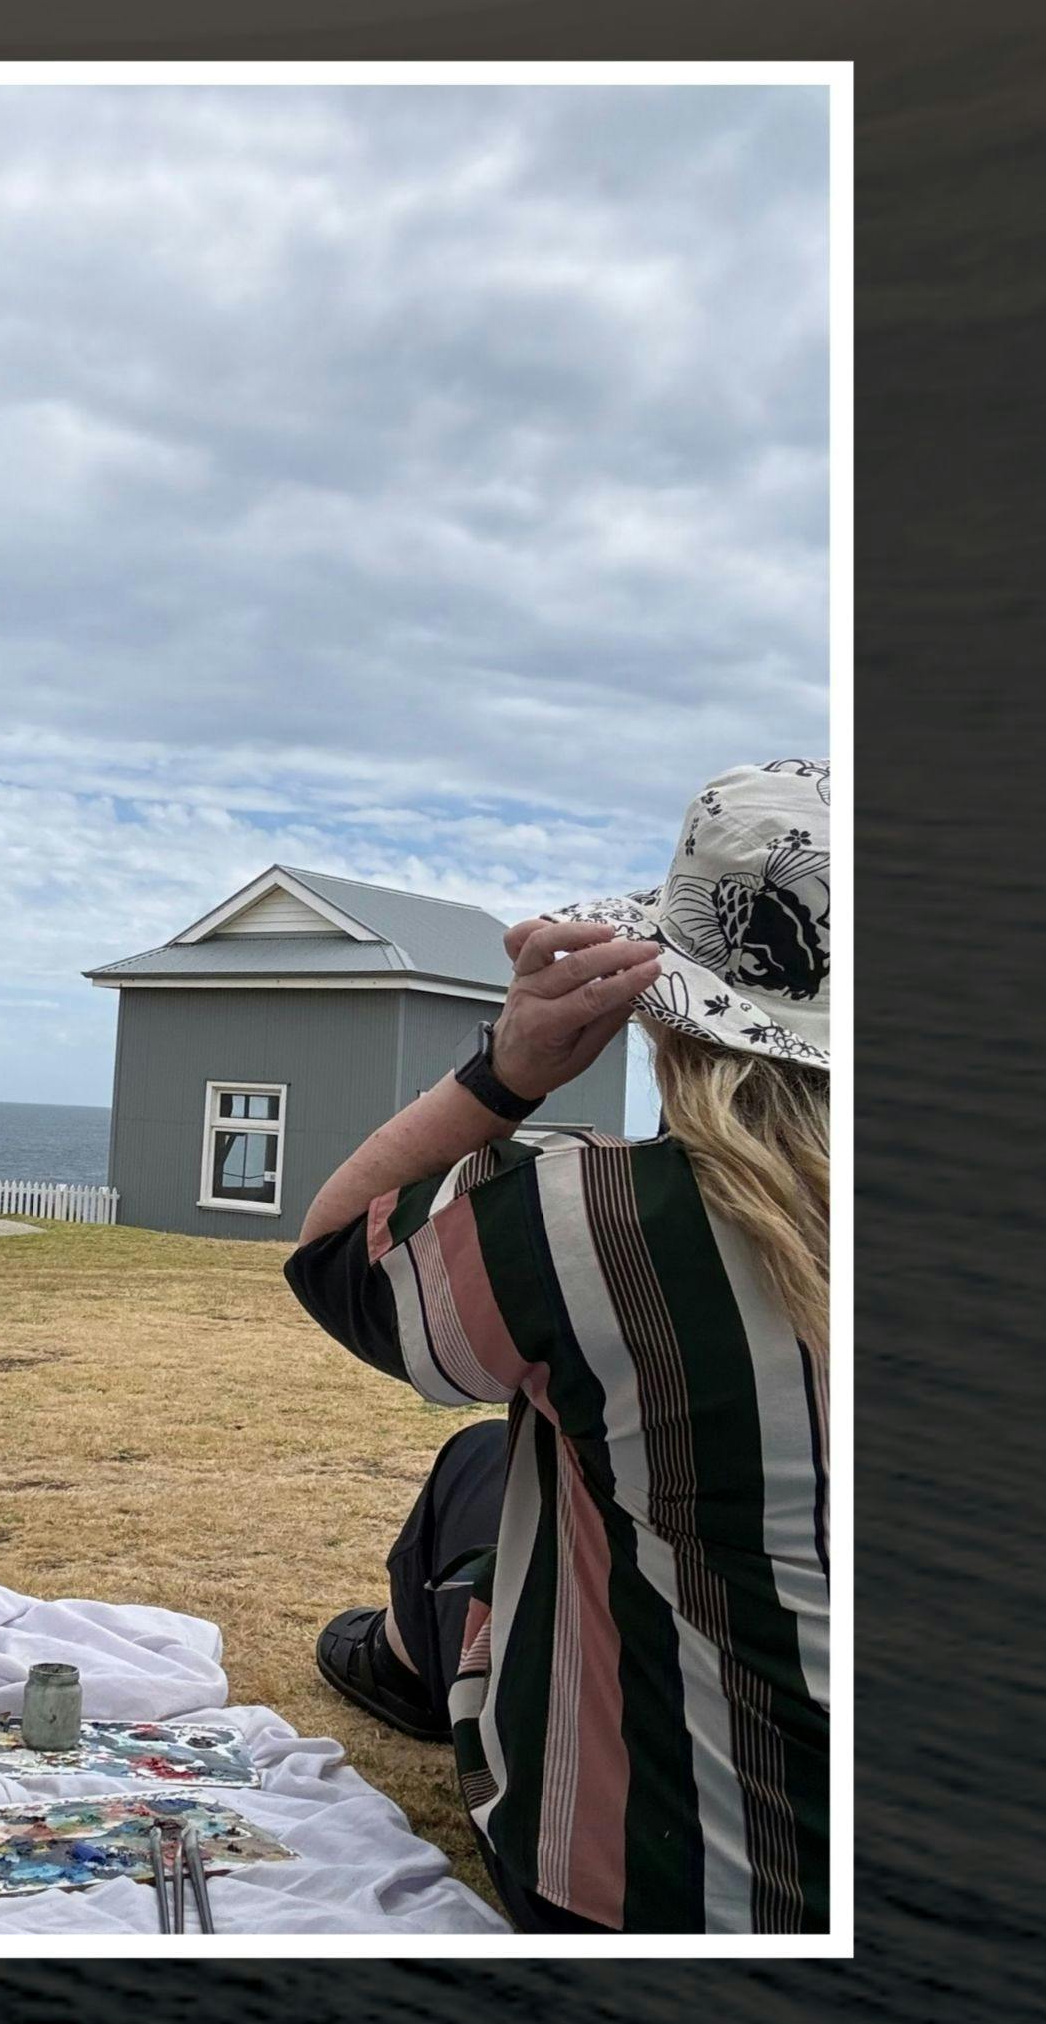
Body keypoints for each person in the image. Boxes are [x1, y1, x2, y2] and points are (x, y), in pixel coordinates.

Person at [284, 757, 836, 1933]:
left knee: (496, 1462)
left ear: (668, 1005)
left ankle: (402, 1657)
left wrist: (506, 1068)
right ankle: (403, 1647)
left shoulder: (593, 1220)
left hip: (660, 1886)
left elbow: (333, 1257)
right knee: (491, 1461)